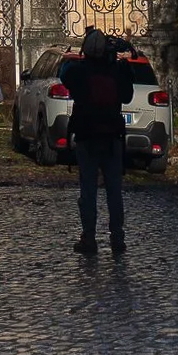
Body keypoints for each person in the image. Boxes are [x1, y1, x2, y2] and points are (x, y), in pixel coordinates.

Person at [60, 27, 134, 255]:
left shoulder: (79, 71)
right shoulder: (116, 71)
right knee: (114, 191)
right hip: (112, 136)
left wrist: (73, 57)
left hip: (87, 136)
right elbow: (127, 96)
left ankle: (89, 238)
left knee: (88, 190)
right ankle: (117, 238)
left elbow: (64, 74)